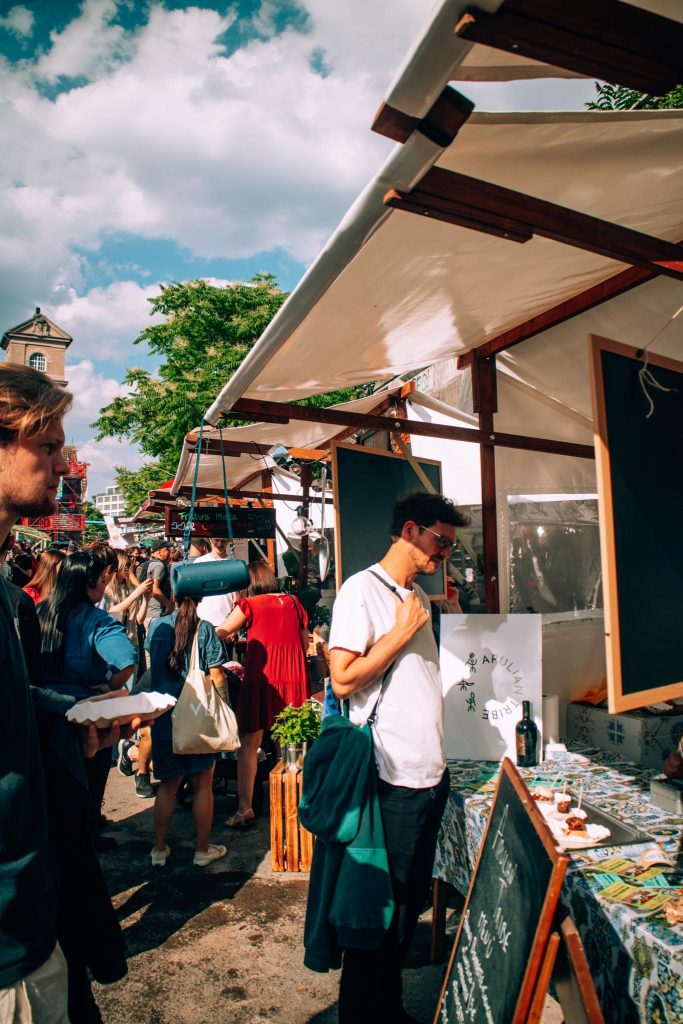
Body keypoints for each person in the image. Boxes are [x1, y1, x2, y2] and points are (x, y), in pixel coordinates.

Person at [0, 362, 140, 1023]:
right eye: (47, 447)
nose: (63, 465)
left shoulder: (6, 594)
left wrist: (70, 713)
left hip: (37, 907)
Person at [327, 491, 468, 1024]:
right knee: (377, 913)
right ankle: (363, 1014)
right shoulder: (360, 591)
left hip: (430, 774)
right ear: (410, 531)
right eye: (441, 541)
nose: (445, 554)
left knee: (407, 910)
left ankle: (385, 1009)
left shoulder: (417, 596)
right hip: (391, 776)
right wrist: (403, 631)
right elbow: (344, 677)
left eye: (452, 545)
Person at [38, 550, 137, 844]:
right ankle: (86, 838)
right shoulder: (97, 620)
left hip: (42, 712)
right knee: (88, 788)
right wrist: (109, 685)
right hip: (87, 717)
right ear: (91, 583)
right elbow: (126, 660)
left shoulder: (39, 611)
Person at [217, 559, 309, 827]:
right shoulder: (294, 602)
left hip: (263, 678)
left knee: (249, 743)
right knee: (289, 744)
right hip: (293, 676)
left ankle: (245, 808)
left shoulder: (250, 604)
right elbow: (303, 643)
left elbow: (221, 631)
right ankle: (293, 803)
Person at [146, 590, 228, 867]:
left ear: (174, 595)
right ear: (201, 599)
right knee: (202, 783)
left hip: (163, 715)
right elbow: (217, 675)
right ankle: (202, 850)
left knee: (167, 786)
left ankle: (158, 850)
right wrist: (224, 709)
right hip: (196, 717)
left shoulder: (157, 627)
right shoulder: (204, 629)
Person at [194, 536, 236, 626]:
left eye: (223, 541)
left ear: (228, 541)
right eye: (216, 540)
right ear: (210, 539)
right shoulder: (199, 562)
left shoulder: (233, 564)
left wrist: (233, 622)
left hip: (226, 621)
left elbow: (236, 597)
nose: (219, 544)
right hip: (202, 620)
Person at [144, 538, 173, 627]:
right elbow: (154, 589)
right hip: (157, 614)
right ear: (160, 551)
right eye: (167, 549)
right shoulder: (159, 565)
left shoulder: (145, 564)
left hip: (147, 613)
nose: (169, 552)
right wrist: (169, 605)